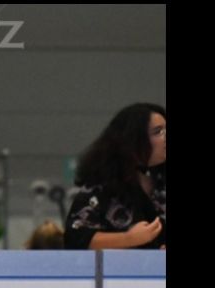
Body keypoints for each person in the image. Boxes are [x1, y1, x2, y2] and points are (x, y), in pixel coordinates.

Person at [64, 103, 166, 250]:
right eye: (158, 132)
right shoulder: (103, 186)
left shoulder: (161, 182)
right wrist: (128, 239)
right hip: (118, 271)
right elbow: (76, 238)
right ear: (134, 139)